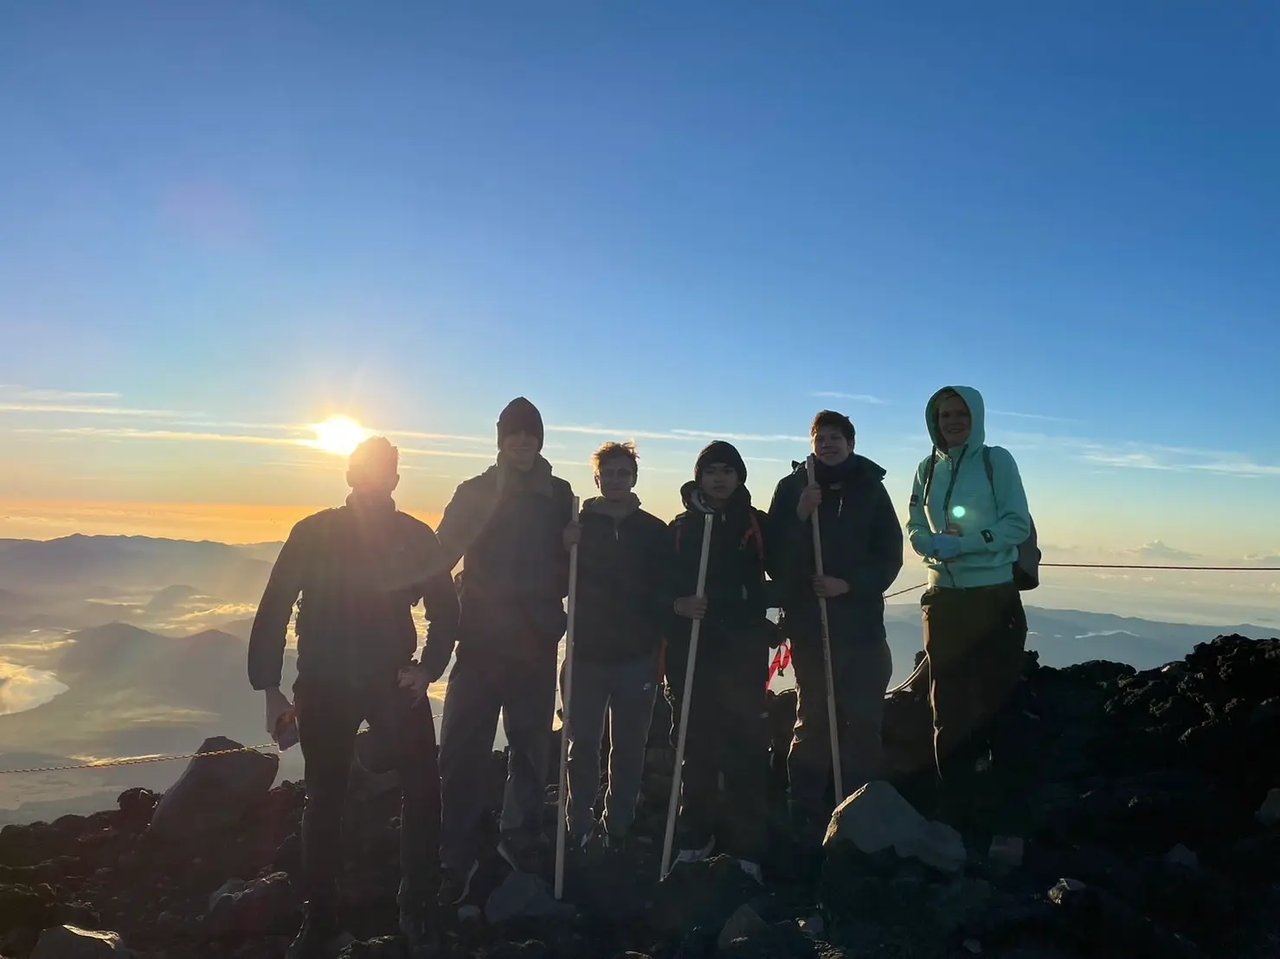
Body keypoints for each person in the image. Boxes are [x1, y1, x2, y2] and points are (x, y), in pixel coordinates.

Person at [247, 436, 459, 959]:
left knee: (421, 791)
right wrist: (270, 689)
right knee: (325, 799)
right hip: (324, 682)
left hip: (390, 680)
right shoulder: (315, 532)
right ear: (351, 474)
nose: (374, 478)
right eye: (366, 469)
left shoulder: (412, 536)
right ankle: (321, 921)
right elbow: (274, 607)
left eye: (383, 470)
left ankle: (415, 907)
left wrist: (428, 667)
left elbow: (445, 609)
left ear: (393, 479)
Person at [434, 397, 576, 905]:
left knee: (530, 746)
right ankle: (458, 846)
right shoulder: (474, 492)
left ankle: (521, 835)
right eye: (513, 434)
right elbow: (441, 551)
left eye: (530, 434)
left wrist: (569, 552)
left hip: (534, 641)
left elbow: (568, 565)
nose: (522, 442)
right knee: (460, 748)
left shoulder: (560, 495)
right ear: (501, 440)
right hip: (479, 639)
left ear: (540, 440)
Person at [766, 410, 903, 845]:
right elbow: (774, 560)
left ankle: (859, 808)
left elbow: (889, 555)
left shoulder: (871, 489)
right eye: (820, 437)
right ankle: (803, 810)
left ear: (851, 443)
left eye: (836, 437)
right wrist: (800, 516)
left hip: (862, 627)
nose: (828, 444)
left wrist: (848, 585)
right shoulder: (792, 489)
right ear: (811, 443)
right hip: (812, 626)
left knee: (863, 719)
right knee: (815, 720)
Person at [905, 386, 1031, 821]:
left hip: (992, 596)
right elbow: (914, 522)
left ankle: (1005, 810)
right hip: (942, 598)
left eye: (961, 414)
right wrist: (931, 545)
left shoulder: (997, 461)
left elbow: (1016, 523)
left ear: (976, 417)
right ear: (933, 421)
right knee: (948, 707)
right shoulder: (926, 468)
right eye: (944, 416)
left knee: (999, 701)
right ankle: (954, 808)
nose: (953, 422)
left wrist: (969, 546)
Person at [666, 440, 775, 884]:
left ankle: (747, 843)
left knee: (746, 747)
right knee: (696, 747)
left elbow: (785, 573)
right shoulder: (681, 527)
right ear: (699, 477)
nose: (719, 478)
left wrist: (750, 605)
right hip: (692, 650)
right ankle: (698, 835)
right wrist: (677, 604)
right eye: (711, 471)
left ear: (740, 477)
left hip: (743, 651)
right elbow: (660, 584)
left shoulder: (756, 524)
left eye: (727, 471)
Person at [560, 441, 673, 852]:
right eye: (608, 473)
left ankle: (618, 825)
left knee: (628, 748)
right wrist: (563, 544)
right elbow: (557, 579)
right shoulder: (578, 525)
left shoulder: (653, 531)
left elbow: (665, 588)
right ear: (597, 478)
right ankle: (579, 827)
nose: (615, 479)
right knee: (582, 747)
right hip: (586, 653)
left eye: (623, 473)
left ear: (635, 478)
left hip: (636, 657)